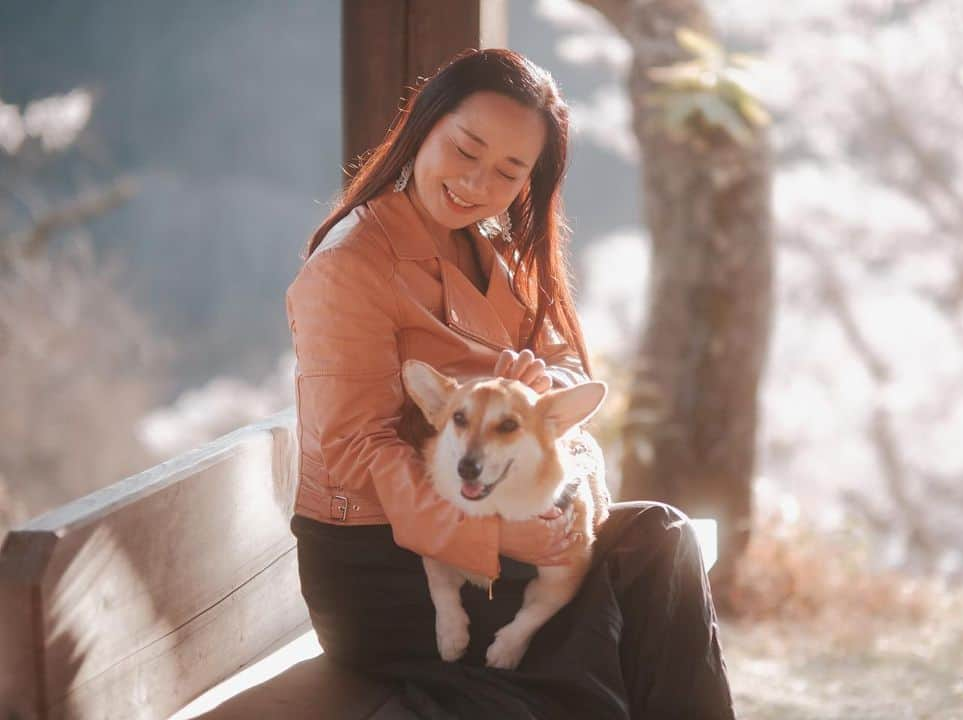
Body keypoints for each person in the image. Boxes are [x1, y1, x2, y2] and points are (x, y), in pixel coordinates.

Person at [286, 47, 738, 719]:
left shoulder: (491, 246)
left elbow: (565, 370)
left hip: (513, 508)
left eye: (507, 171)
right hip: (383, 557)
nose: (475, 183)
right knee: (586, 627)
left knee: (660, 544)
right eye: (465, 150)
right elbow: (358, 451)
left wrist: (538, 388)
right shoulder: (348, 266)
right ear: (424, 125)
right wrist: (495, 539)